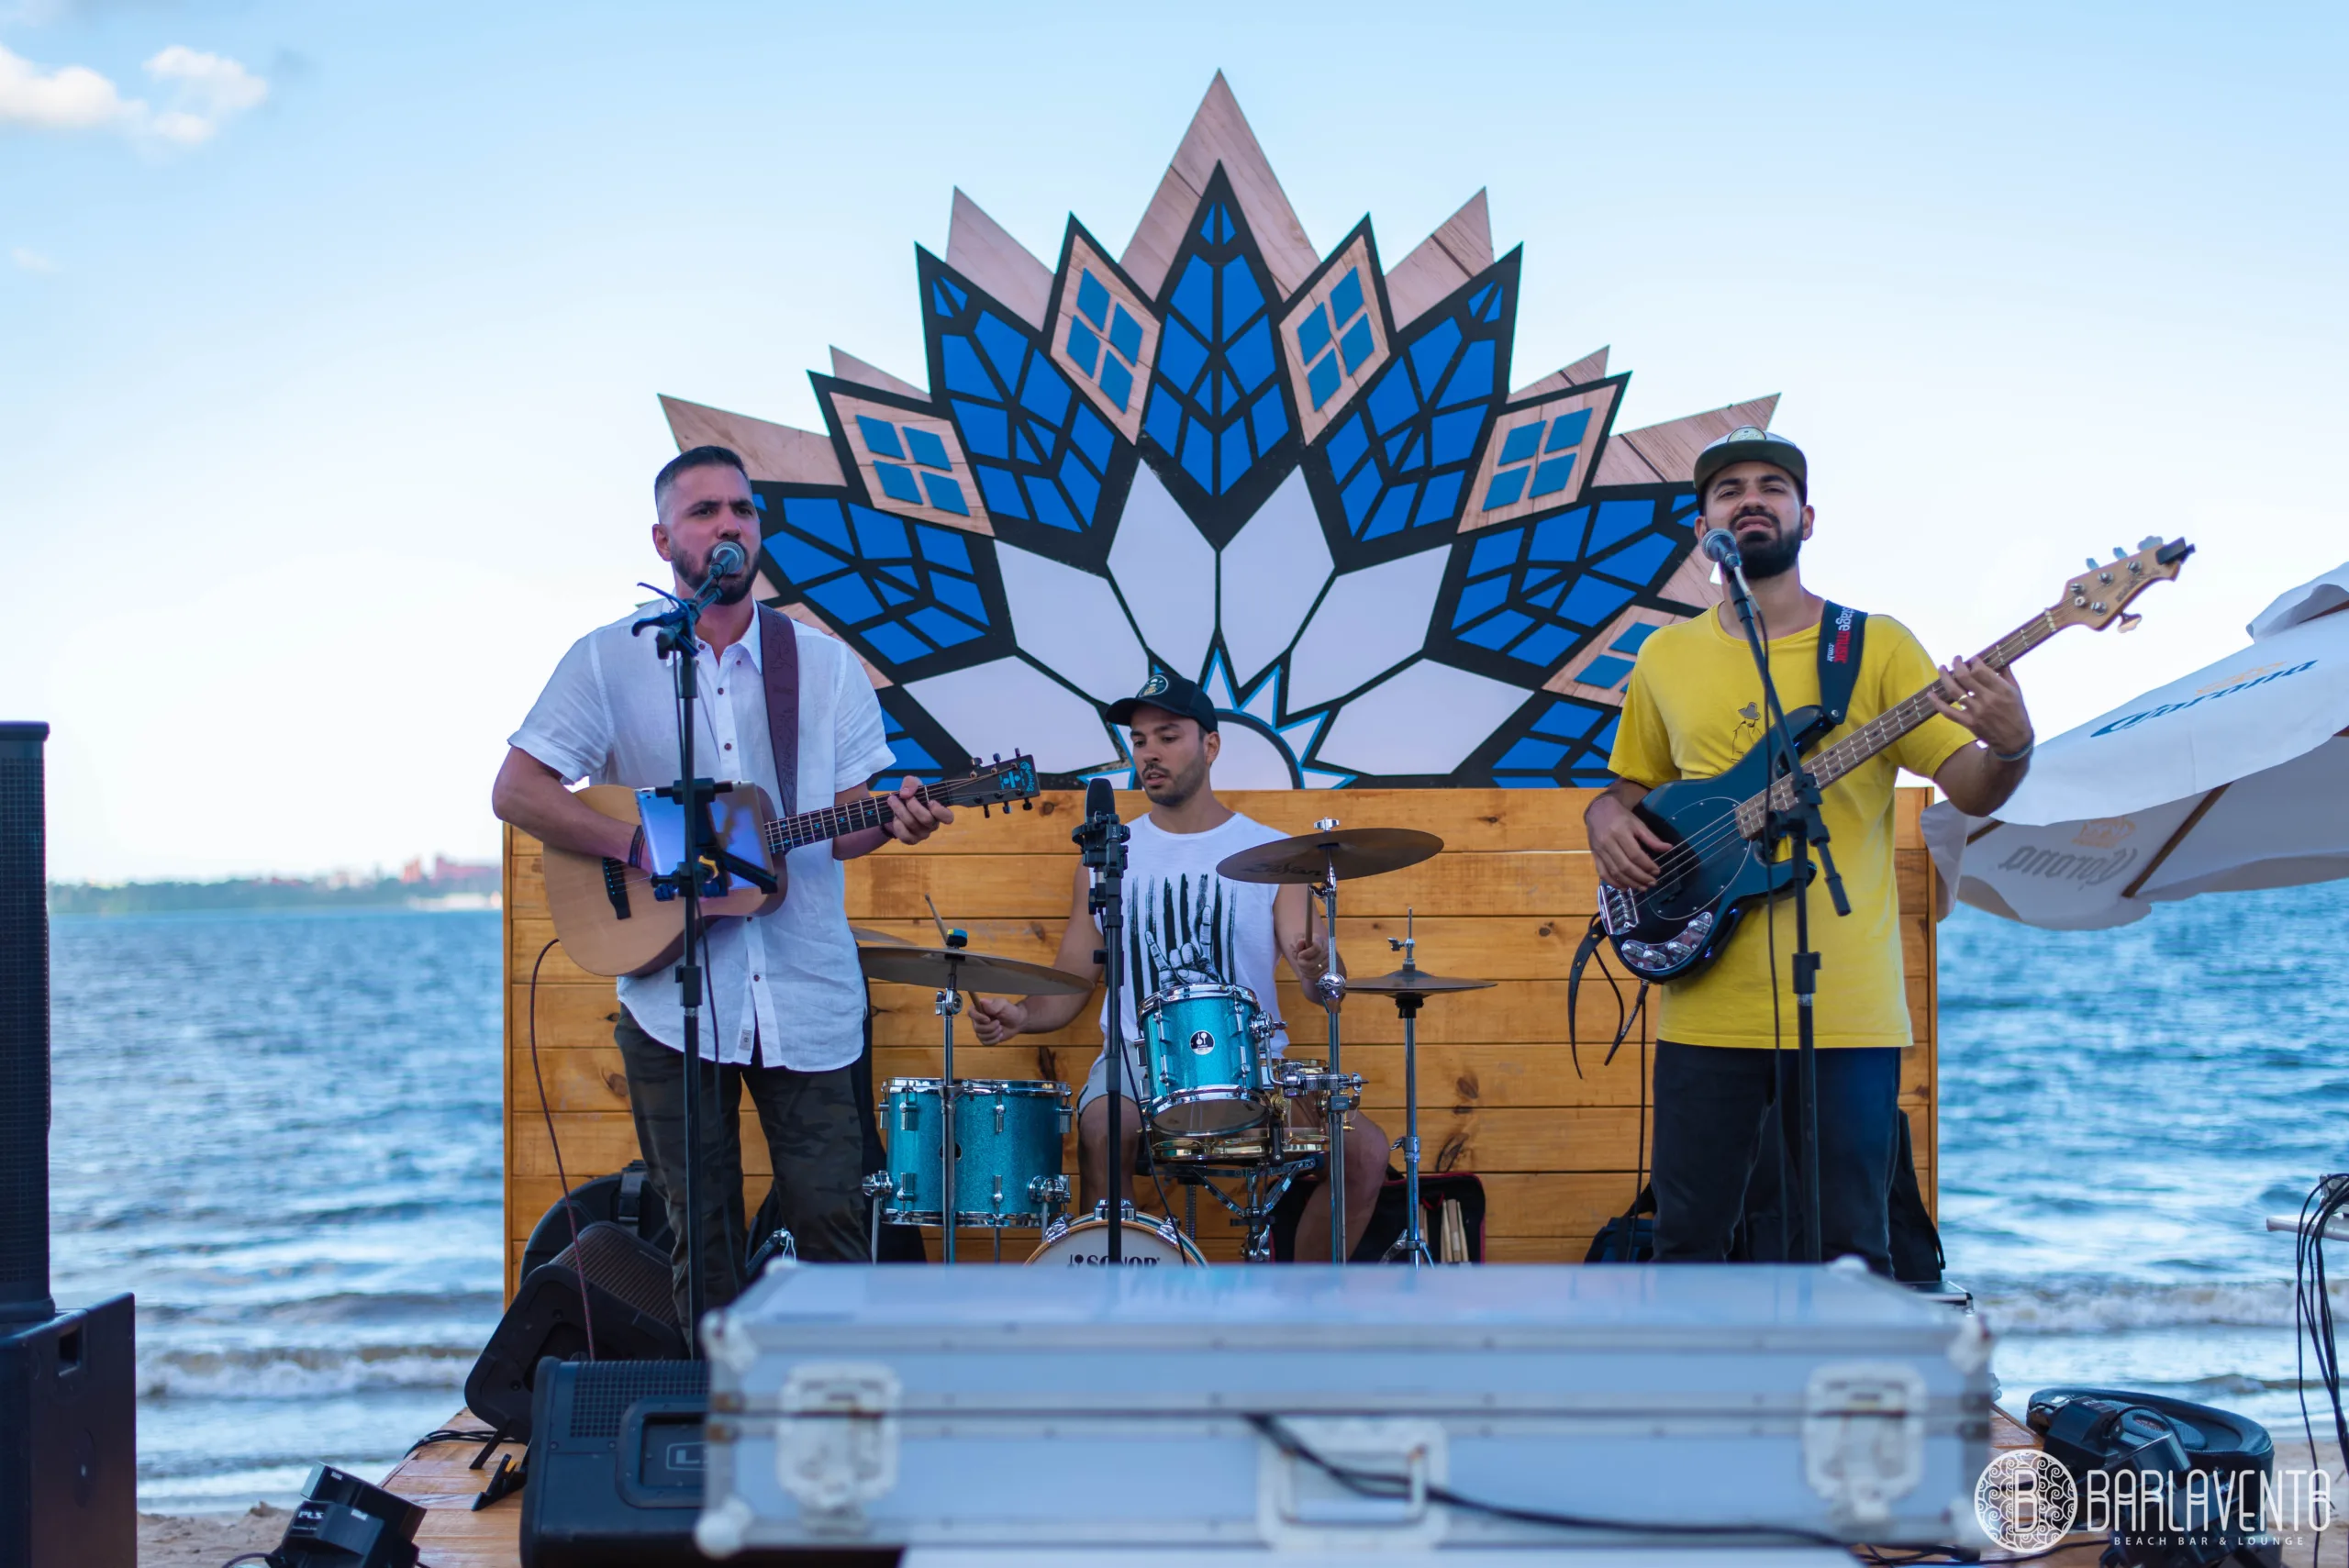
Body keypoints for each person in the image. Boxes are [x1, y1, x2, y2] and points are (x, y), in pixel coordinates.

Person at [492, 444, 951, 1323]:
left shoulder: (818, 666)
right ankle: (713, 1445)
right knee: (697, 1243)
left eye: (743, 509)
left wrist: (893, 817)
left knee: (834, 1228)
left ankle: (835, 1431)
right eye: (706, 513)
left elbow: (847, 824)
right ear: (664, 540)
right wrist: (641, 846)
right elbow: (518, 789)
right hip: (671, 992)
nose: (730, 525)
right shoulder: (610, 660)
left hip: (808, 988)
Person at [1584, 427, 2033, 1272]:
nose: (1750, 498)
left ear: (1808, 517)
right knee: (1688, 1244)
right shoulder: (1666, 656)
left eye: (1771, 486)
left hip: (1848, 1012)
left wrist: (2011, 747)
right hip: (1703, 1006)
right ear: (1702, 527)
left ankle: (1833, 1407)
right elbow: (1628, 790)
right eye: (1728, 490)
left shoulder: (1875, 646)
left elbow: (1970, 784)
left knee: (1848, 1253)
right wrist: (1599, 819)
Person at [969, 672, 1390, 1262]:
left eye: (1167, 736)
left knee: (1365, 1152)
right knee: (1102, 1131)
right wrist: (1018, 1014)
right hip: (1136, 1059)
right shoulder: (1105, 857)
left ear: (1210, 745)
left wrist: (1319, 966)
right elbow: (1072, 981)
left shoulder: (1273, 855)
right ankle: (1123, 1312)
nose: (1150, 754)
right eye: (1140, 742)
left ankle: (1305, 1305)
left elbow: (1324, 982)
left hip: (1253, 1062)